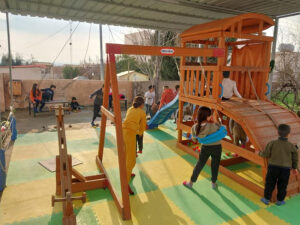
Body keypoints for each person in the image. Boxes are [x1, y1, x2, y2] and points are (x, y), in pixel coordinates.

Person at [259, 124, 298, 206]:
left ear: (277, 133)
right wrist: (294, 168)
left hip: (273, 167)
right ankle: (280, 200)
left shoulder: (272, 143)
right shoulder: (291, 146)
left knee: (269, 183)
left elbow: (266, 154)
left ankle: (266, 199)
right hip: (285, 169)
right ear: (288, 134)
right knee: (282, 185)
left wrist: (258, 153)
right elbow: (295, 158)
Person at [183, 106, 222, 189]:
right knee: (215, 165)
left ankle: (191, 183)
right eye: (210, 115)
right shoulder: (214, 125)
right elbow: (221, 130)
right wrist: (216, 121)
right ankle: (213, 183)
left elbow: (194, 140)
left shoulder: (195, 127)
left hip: (206, 148)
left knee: (199, 165)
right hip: (217, 147)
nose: (211, 116)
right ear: (207, 117)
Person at [122, 96, 146, 195]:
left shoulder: (130, 109)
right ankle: (125, 183)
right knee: (131, 159)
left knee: (125, 155)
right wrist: (140, 132)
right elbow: (142, 127)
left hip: (122, 133)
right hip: (130, 136)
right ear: (142, 105)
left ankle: (128, 173)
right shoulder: (142, 113)